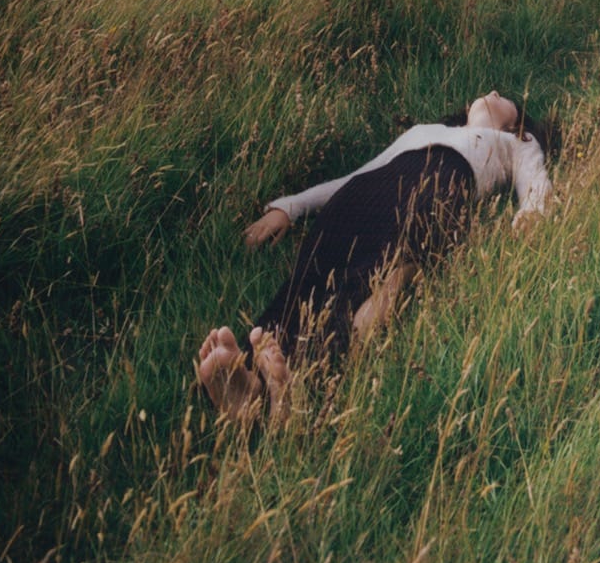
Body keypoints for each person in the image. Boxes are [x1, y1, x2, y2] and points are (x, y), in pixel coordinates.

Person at [194, 89, 558, 425]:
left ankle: (296, 387)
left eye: (506, 98)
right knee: (310, 279)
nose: (493, 93)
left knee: (367, 279)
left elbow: (535, 180)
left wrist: (531, 214)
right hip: (359, 197)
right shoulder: (424, 130)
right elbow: (359, 173)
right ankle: (251, 385)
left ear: (516, 121)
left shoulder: (514, 141)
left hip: (432, 187)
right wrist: (289, 208)